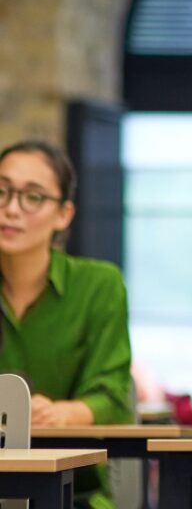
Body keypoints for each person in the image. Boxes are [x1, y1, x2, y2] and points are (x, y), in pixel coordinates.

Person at [0, 140, 132, 509]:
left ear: (63, 214)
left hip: (74, 491)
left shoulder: (99, 285)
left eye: (33, 197)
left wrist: (63, 413)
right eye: (2, 192)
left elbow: (113, 395)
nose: (12, 209)